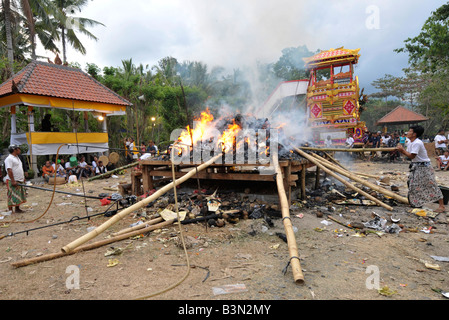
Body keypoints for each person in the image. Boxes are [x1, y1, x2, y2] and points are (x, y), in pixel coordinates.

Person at [397, 125, 445, 213]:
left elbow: (412, 155)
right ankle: (416, 203)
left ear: (414, 134)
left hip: (424, 167)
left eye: (410, 131)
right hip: (416, 166)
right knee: (413, 185)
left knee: (431, 185)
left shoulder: (417, 143)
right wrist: (402, 151)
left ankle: (441, 206)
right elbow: (409, 155)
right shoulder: (411, 142)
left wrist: (402, 151)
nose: (408, 132)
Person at [5, 145, 26, 213]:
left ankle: (17, 208)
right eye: (18, 149)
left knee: (18, 195)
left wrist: (23, 178)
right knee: (12, 195)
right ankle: (11, 210)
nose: (20, 150)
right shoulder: (9, 159)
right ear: (14, 150)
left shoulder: (17, 157)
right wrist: (13, 180)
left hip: (19, 179)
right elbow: (9, 170)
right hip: (12, 180)